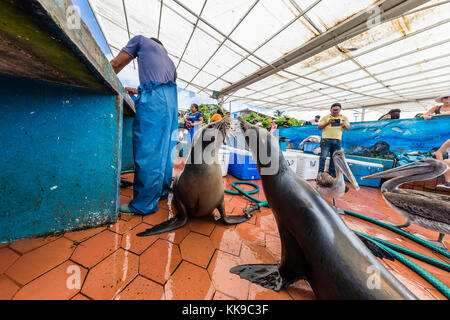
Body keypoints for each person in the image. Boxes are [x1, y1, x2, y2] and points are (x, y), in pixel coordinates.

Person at [110, 35, 178, 215]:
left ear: (151, 41)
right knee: (165, 150)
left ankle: (143, 204)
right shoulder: (170, 61)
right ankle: (161, 193)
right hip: (172, 104)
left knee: (149, 150)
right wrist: (140, 89)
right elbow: (162, 85)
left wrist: (105, 77)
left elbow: (116, 64)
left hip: (155, 101)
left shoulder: (140, 40)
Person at [317, 102, 350, 178]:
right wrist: (327, 123)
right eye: (334, 110)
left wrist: (343, 125)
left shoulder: (344, 118)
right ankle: (320, 174)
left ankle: (331, 174)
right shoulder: (325, 117)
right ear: (330, 110)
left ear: (340, 110)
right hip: (326, 140)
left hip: (337, 140)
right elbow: (319, 127)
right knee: (323, 157)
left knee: (334, 158)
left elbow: (348, 128)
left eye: (337, 110)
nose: (335, 111)